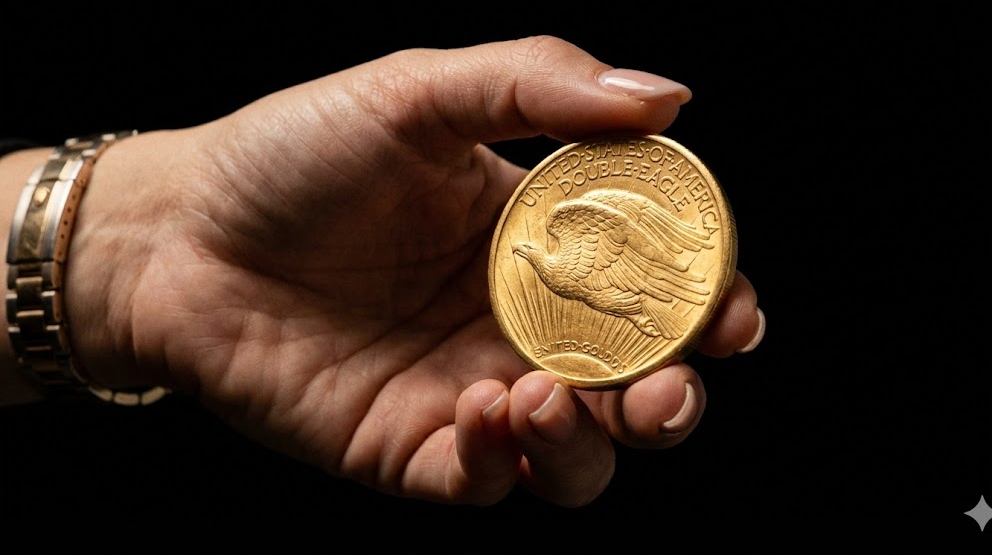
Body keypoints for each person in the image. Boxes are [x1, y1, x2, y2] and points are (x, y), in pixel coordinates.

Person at [0, 35, 764, 509]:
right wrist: (136, 253)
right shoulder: (557, 240)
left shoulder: (572, 241)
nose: (528, 252)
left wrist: (131, 265)